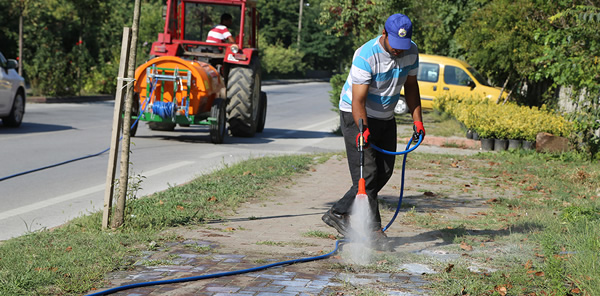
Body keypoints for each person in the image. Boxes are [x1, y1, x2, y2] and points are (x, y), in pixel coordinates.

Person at [321, 13, 426, 250]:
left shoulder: (411, 51)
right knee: (367, 175)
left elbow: (411, 86)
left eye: (403, 46)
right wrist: (363, 129)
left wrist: (417, 120)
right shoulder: (366, 55)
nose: (399, 51)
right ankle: (372, 229)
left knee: (385, 171)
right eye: (395, 46)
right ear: (384, 34)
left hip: (386, 116)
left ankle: (339, 211)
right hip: (356, 114)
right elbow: (358, 100)